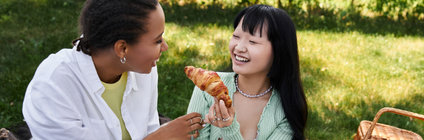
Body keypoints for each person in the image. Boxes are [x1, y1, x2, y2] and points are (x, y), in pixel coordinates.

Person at [22, 0, 203, 139]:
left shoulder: (143, 70)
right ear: (122, 49)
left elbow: (149, 128)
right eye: (157, 40)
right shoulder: (53, 85)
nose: (165, 47)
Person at [187, 4, 308, 140]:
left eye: (252, 41)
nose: (238, 47)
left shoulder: (286, 110)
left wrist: (229, 129)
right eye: (236, 36)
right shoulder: (208, 88)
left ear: (278, 51)